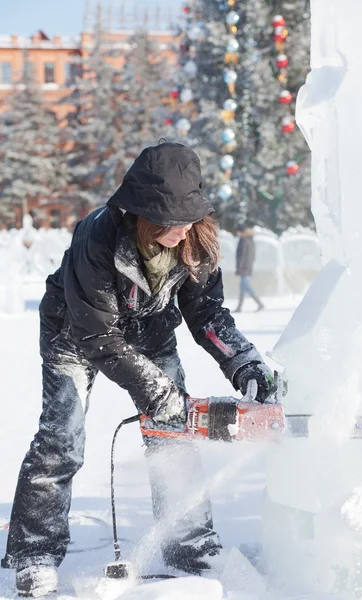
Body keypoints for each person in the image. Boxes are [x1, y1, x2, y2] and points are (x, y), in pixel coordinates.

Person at [2, 142, 278, 597]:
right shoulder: (98, 235)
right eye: (169, 219)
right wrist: (157, 390)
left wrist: (244, 362)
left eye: (188, 216)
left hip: (149, 328)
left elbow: (207, 314)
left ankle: (188, 544)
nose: (181, 228)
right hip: (75, 330)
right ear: (140, 211)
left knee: (174, 434)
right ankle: (35, 552)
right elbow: (99, 337)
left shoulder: (199, 240)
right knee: (61, 437)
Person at [234, 223, 264, 313]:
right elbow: (252, 255)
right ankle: (239, 307)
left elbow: (241, 255)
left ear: (241, 231)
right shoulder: (250, 240)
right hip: (248, 266)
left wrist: (239, 267)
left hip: (244, 267)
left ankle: (259, 303)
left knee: (246, 286)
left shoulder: (243, 240)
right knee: (243, 287)